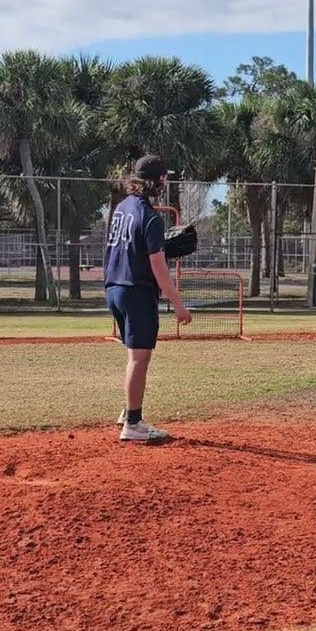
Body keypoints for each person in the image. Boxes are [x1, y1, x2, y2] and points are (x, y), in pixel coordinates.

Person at [105, 154, 191, 443]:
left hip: (114, 288)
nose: (165, 183)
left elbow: (132, 247)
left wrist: (160, 246)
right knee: (140, 358)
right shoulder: (150, 216)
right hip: (136, 291)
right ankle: (133, 424)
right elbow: (157, 266)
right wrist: (178, 304)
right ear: (153, 181)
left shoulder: (121, 208)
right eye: (163, 178)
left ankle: (129, 410)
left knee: (135, 356)